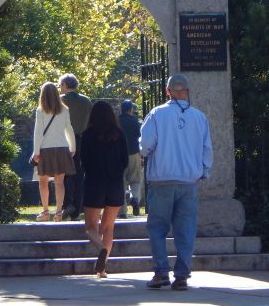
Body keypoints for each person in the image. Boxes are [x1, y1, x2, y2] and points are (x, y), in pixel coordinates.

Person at [140, 74, 212, 291]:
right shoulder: (200, 117)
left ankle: (161, 271)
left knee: (157, 228)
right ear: (187, 92)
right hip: (188, 182)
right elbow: (207, 149)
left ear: (167, 91)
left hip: (162, 181)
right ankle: (181, 275)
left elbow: (145, 146)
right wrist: (203, 172)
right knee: (185, 230)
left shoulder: (157, 114)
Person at [80, 100, 129, 277]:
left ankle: (100, 249)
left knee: (91, 227)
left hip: (94, 182)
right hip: (115, 183)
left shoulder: (87, 135)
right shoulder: (119, 134)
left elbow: (83, 161)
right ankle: (103, 268)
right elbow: (125, 161)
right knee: (108, 227)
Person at [31, 81, 77, 222]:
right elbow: (69, 129)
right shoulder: (64, 110)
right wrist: (73, 147)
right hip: (62, 148)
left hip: (45, 149)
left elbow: (38, 132)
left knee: (43, 182)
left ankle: (45, 212)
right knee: (59, 182)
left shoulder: (41, 111)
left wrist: (36, 151)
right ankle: (58, 212)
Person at [59, 73, 91, 221]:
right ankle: (77, 207)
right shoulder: (86, 101)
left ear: (65, 85)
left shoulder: (60, 101)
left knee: (65, 174)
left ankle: (67, 203)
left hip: (64, 140)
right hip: (83, 140)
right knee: (79, 173)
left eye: (61, 85)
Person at [118, 99, 143, 217]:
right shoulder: (135, 121)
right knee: (135, 179)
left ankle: (122, 210)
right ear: (131, 109)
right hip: (133, 152)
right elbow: (140, 136)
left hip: (119, 154)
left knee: (120, 181)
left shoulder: (117, 121)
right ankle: (135, 197)